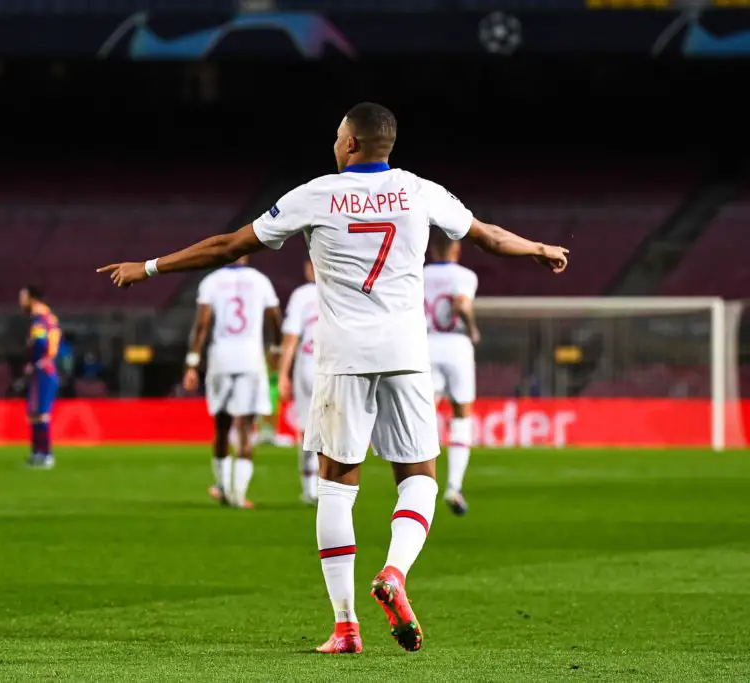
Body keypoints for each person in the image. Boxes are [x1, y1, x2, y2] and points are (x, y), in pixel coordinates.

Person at [97, 102, 568, 654]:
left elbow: (229, 246)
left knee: (336, 487)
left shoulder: (315, 194)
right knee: (420, 478)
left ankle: (346, 627)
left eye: (338, 135)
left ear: (350, 144)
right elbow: (488, 235)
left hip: (343, 356)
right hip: (406, 353)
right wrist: (539, 248)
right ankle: (394, 571)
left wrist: (149, 267)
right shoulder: (419, 191)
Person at [182, 255, 281, 508]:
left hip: (221, 360)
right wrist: (277, 351)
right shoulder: (260, 281)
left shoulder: (212, 281)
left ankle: (224, 488)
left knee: (222, 427)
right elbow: (274, 319)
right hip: (250, 360)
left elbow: (201, 324)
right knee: (246, 429)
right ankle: (238, 494)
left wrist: (192, 363)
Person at [424, 231, 480, 516]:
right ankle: (454, 486)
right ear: (456, 251)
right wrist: (472, 328)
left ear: (433, 250)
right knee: (461, 414)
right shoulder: (465, 276)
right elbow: (460, 303)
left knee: (426, 413)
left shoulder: (420, 275)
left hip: (426, 345)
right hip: (456, 346)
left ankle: (423, 482)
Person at [278, 258, 319, 505]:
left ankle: (309, 488)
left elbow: (290, 338)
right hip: (337, 367)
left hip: (307, 365)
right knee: (333, 430)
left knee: (308, 429)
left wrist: (283, 373)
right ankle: (331, 487)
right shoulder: (344, 289)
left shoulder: (302, 295)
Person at [19, 285, 62, 469]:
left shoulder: (40, 319)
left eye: (23, 297)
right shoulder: (47, 317)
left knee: (41, 413)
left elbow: (41, 343)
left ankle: (45, 454)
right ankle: (38, 453)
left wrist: (34, 361)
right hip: (43, 369)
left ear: (32, 299)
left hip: (43, 370)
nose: (20, 301)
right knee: (34, 413)